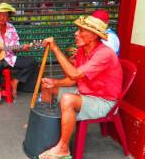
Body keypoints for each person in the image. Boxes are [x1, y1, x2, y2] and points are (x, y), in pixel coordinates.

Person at [38, 11, 123, 158]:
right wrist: (54, 83)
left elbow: (75, 75)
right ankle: (44, 126)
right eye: (77, 30)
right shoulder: (82, 51)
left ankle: (63, 148)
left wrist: (56, 49)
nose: (76, 34)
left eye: (81, 31)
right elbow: (73, 80)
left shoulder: (104, 54)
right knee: (47, 85)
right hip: (86, 92)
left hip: (104, 101)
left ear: (94, 35)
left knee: (67, 99)